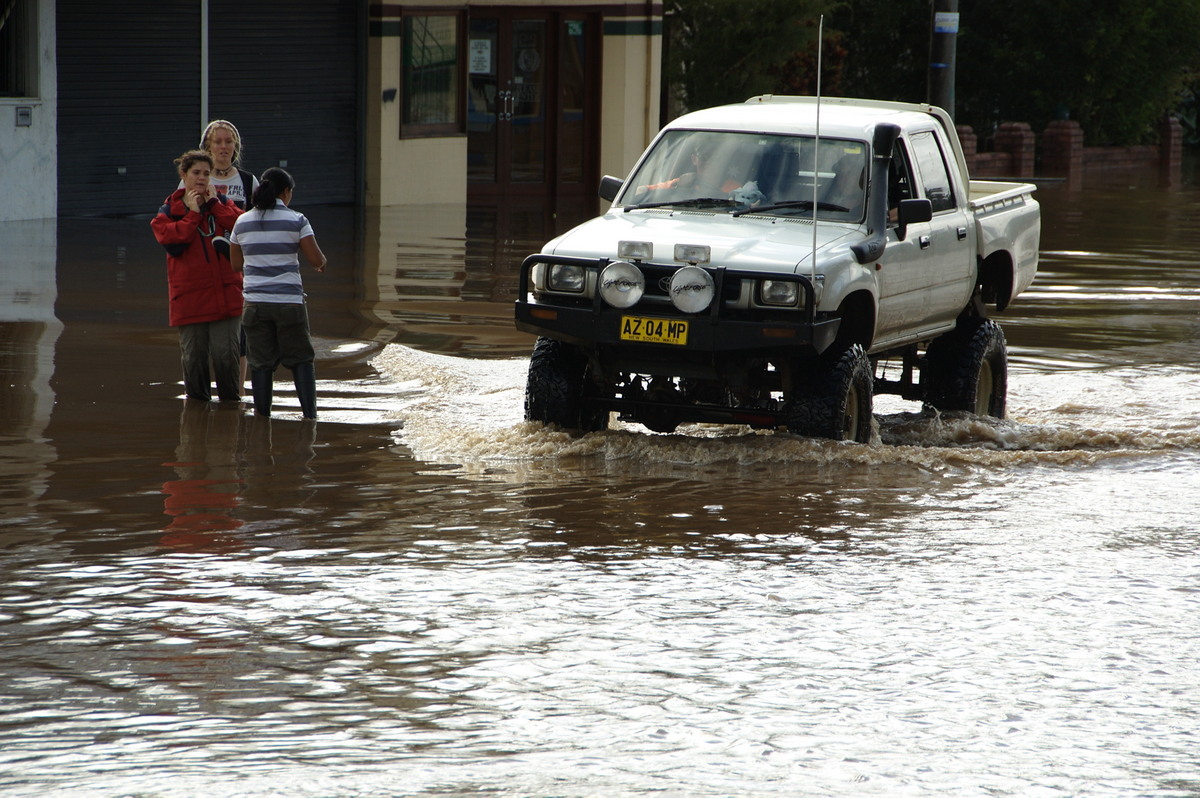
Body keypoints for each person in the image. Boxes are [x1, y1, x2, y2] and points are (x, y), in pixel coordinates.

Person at [229, 167, 327, 419]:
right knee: (302, 360)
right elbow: (316, 258)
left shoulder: (242, 221)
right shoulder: (297, 220)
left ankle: (262, 421)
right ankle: (310, 418)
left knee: (261, 364)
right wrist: (321, 263)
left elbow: (236, 265)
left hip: (254, 305)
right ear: (285, 192)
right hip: (289, 304)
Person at [150, 149, 245, 403]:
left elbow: (244, 227)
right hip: (190, 299)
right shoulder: (170, 209)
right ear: (184, 174)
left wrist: (213, 205)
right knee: (193, 360)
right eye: (196, 173)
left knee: (227, 357)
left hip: (226, 294)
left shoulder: (222, 203)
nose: (202, 178)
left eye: (206, 173)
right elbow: (171, 239)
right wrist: (193, 214)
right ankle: (195, 426)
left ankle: (230, 419)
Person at [190, 119, 258, 210]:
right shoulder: (192, 178)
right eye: (217, 142)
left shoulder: (249, 181)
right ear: (208, 146)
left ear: (235, 146)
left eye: (229, 141)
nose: (223, 146)